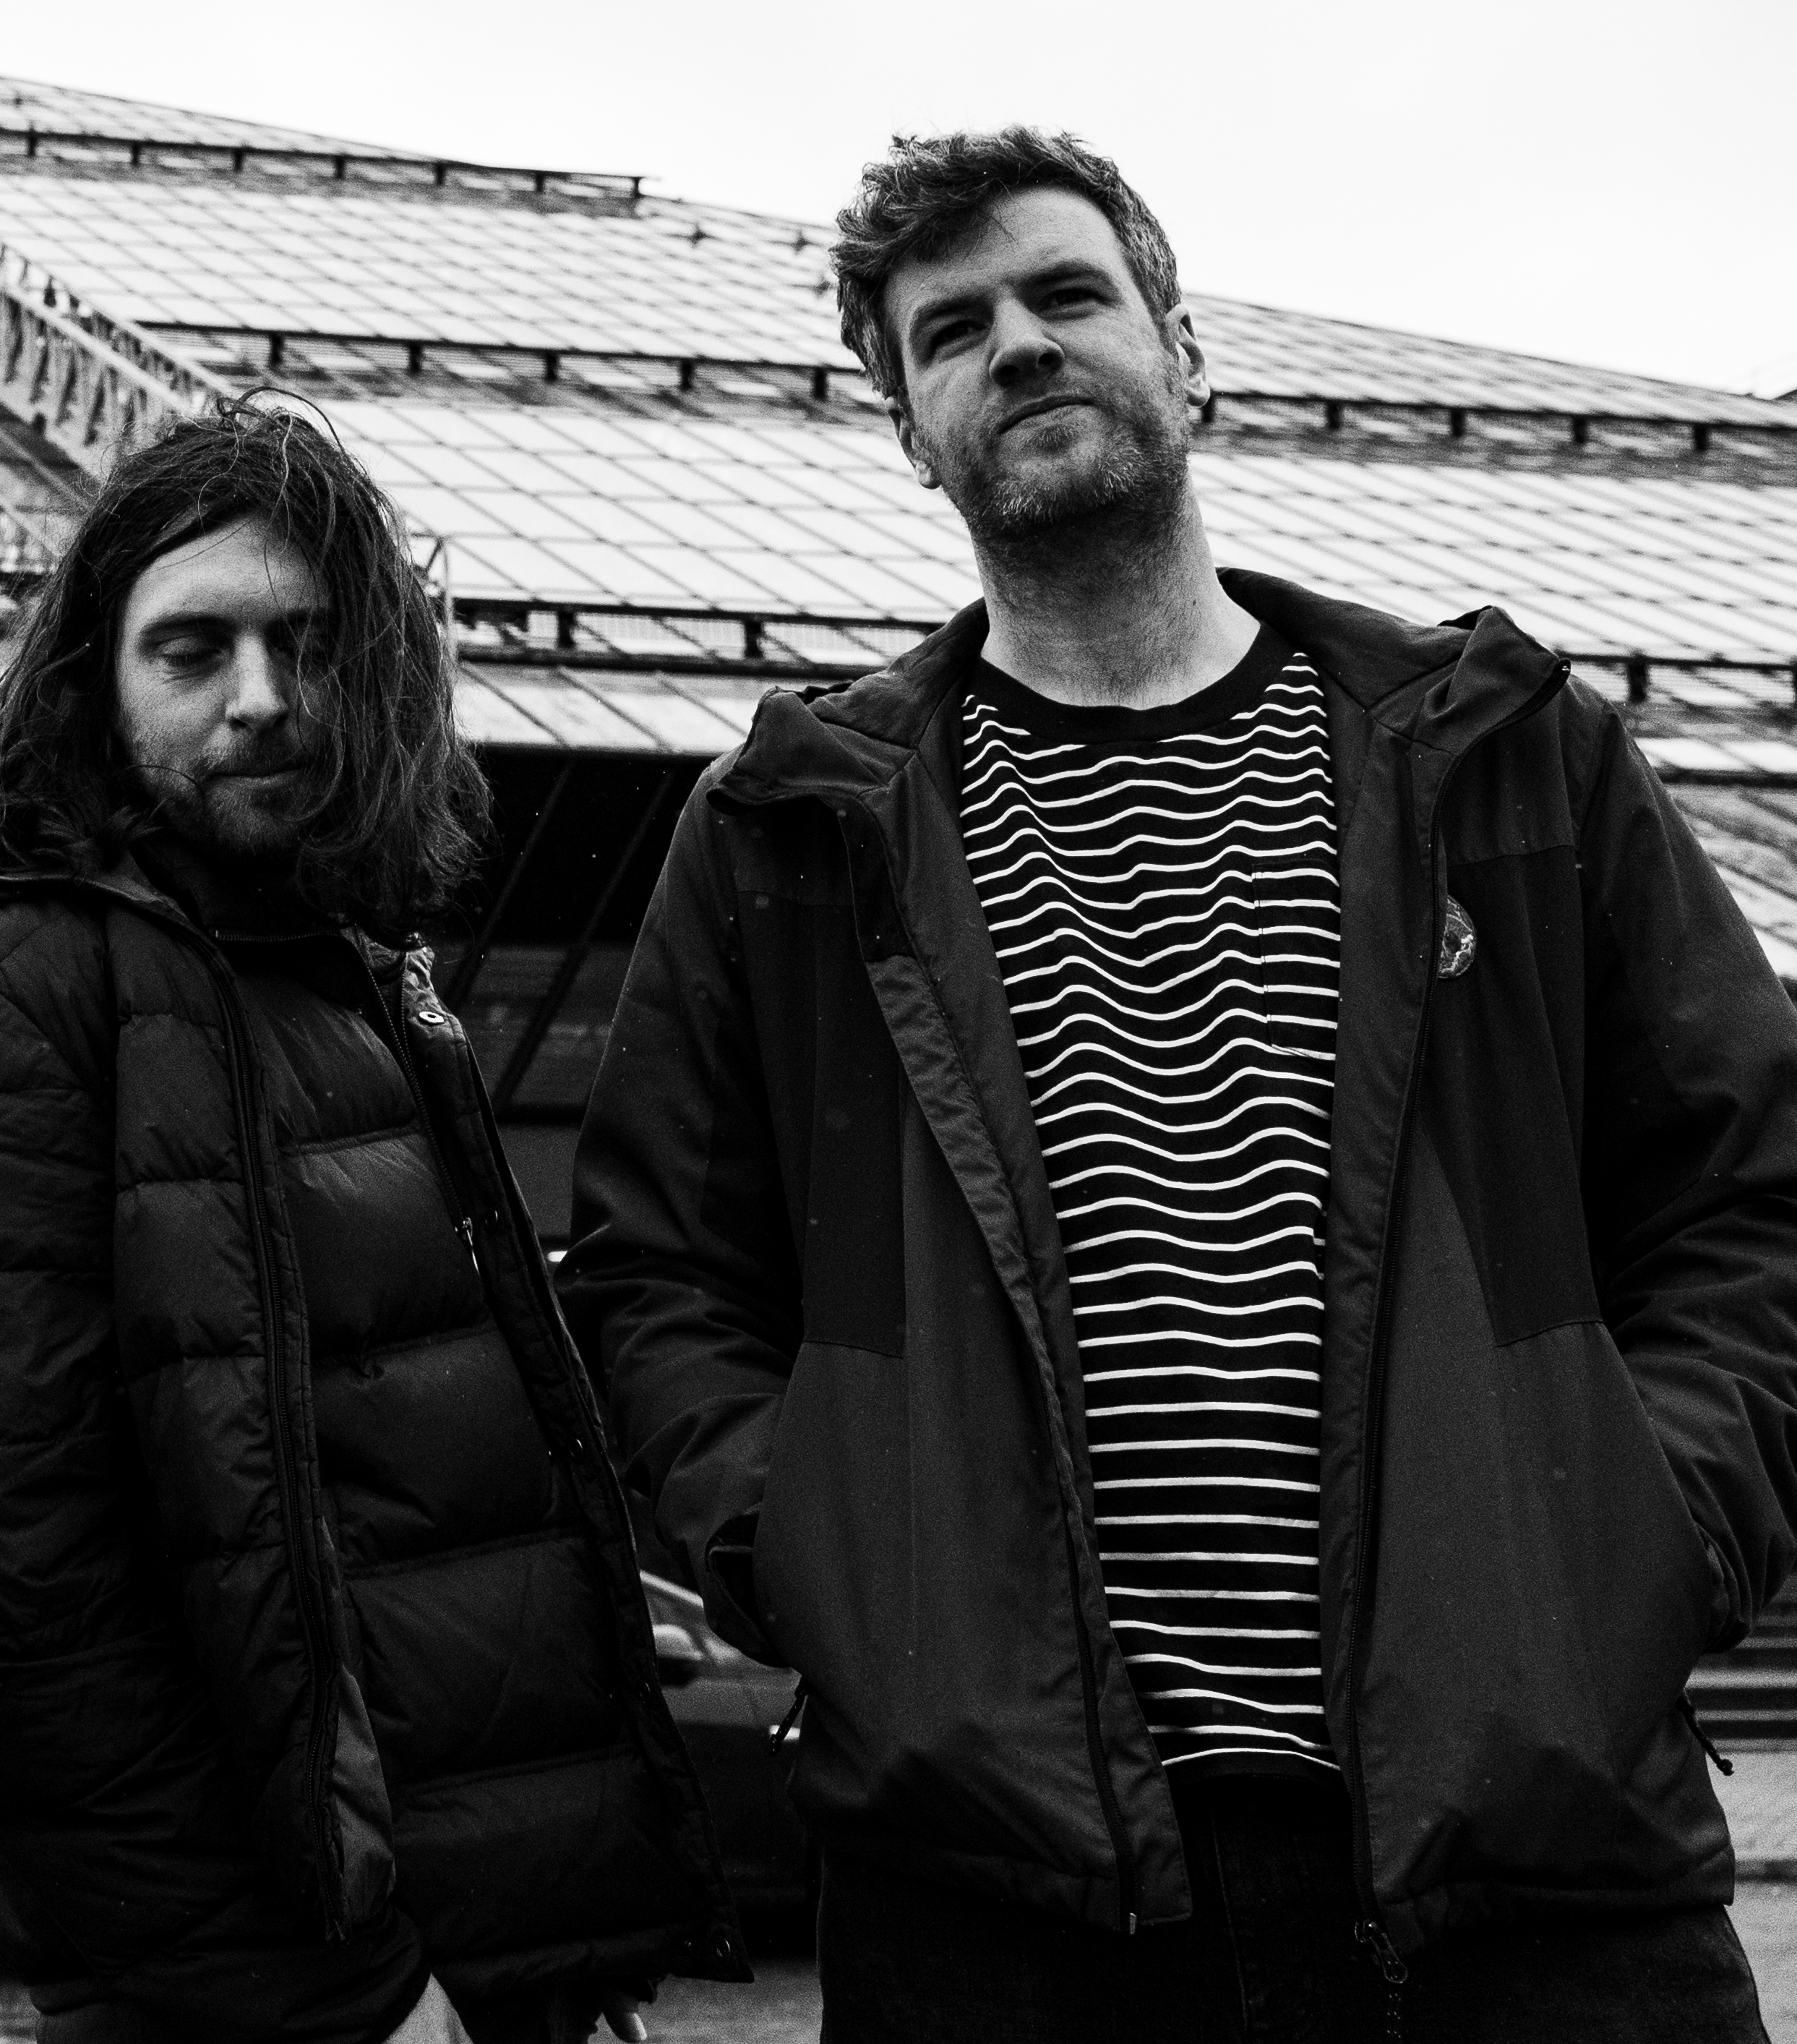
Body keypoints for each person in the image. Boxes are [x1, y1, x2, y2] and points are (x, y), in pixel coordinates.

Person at [561, 127, 1797, 2040]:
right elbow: (657, 1283)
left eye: (1069, 295)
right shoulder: (789, 839)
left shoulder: (1508, 763)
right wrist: (812, 1555)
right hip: (999, 1905)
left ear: (1183, 349)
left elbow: (1749, 1202)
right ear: (908, 428)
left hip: (1535, 1875)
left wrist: (1643, 1541)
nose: (1021, 347)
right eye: (950, 331)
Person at [0, 399, 732, 2044]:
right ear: (94, 683)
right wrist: (336, 2002)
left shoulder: (359, 977)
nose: (261, 698)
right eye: (194, 647)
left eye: (308, 642)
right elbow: (7, 1608)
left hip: (492, 1961)